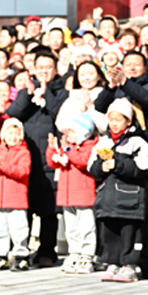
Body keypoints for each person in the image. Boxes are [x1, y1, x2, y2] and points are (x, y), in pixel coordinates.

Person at [93, 50, 148, 279]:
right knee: (119, 213)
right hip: (117, 157)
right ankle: (118, 260)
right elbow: (99, 105)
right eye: (128, 63)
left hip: (145, 159)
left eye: (137, 64)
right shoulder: (117, 89)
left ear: (145, 67)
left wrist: (125, 83)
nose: (132, 67)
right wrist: (111, 85)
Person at [7, 50, 68, 267]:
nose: (44, 71)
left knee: (49, 211)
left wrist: (46, 94)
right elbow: (13, 113)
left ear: (55, 69)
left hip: (50, 160)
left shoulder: (61, 92)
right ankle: (21, 250)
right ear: (33, 69)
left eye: (48, 68)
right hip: (27, 159)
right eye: (40, 67)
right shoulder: (26, 91)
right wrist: (27, 94)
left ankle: (47, 251)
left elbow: (61, 116)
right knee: (25, 208)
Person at [91, 98, 148, 283]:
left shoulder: (137, 142)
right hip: (108, 198)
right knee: (109, 232)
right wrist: (99, 167)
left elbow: (144, 166)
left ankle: (130, 265)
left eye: (119, 119)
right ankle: (112, 262)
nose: (115, 123)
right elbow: (91, 166)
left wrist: (118, 163)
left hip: (130, 199)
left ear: (128, 121)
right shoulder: (103, 142)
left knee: (129, 233)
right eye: (111, 119)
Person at [47, 114, 98, 275]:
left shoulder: (88, 147)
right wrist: (52, 149)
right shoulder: (69, 148)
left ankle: (87, 254)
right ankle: (74, 252)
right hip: (67, 195)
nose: (69, 136)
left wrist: (68, 150)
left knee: (86, 226)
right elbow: (53, 162)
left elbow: (82, 161)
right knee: (71, 228)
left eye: (73, 132)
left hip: (83, 195)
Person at [0, 118, 32, 272]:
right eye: (10, 133)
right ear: (3, 135)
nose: (13, 137)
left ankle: (21, 256)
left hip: (16, 199)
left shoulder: (24, 152)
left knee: (19, 230)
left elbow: (22, 172)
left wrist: (4, 167)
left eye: (16, 134)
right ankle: (0, 256)